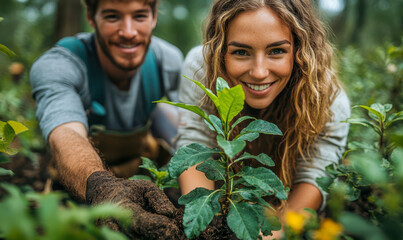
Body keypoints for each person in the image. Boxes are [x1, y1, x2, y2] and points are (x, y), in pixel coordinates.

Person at [176, 0, 350, 238]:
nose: (259, 72)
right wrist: (207, 228)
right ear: (220, 51)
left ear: (299, 50)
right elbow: (193, 142)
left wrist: (266, 237)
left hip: (279, 209)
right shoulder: (202, 68)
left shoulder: (329, 99)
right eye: (241, 52)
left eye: (276, 51)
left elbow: (314, 178)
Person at [30, 0, 185, 238]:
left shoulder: (168, 61)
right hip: (79, 185)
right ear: (91, 18)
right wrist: (103, 189)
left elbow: (191, 128)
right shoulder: (61, 64)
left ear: (154, 17)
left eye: (140, 16)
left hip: (139, 169)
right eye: (113, 16)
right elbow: (65, 133)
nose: (129, 32)